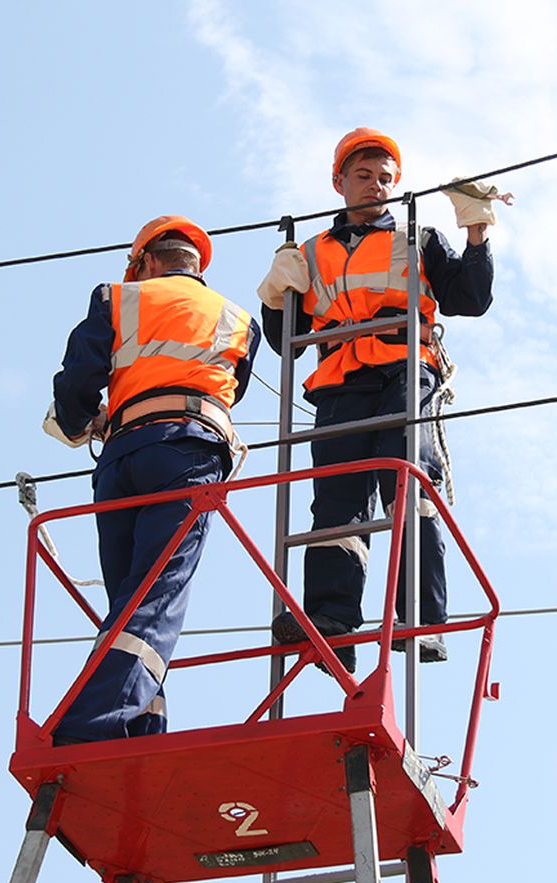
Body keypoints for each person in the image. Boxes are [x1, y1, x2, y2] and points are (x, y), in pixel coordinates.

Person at [256, 127, 511, 673]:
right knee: (335, 504)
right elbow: (285, 341)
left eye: (386, 179)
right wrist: (276, 296)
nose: (376, 187)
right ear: (339, 182)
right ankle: (331, 620)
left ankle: (421, 620)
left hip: (403, 368)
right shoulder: (308, 252)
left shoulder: (417, 238)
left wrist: (477, 234)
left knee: (407, 484)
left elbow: (471, 298)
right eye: (365, 177)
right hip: (340, 381)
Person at [44, 215, 260, 743]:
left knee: (130, 601)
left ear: (144, 262)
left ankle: (139, 727)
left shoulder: (116, 297)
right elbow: (228, 390)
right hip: (189, 451)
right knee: (153, 596)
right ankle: (93, 725)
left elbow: (77, 384)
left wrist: (79, 422)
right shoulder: (237, 319)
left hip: (121, 459)